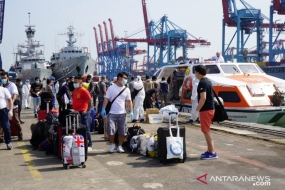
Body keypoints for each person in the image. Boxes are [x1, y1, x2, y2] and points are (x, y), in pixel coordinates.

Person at [101, 72, 133, 153]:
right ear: (119, 78)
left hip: (122, 113)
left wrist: (131, 111)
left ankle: (120, 146)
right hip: (112, 113)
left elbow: (129, 101)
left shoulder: (126, 89)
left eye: (126, 78)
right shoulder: (111, 88)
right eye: (124, 78)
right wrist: (103, 108)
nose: (126, 80)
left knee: (122, 131)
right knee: (110, 130)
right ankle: (112, 144)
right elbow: (106, 99)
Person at [194, 65, 217, 160]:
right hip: (210, 108)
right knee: (206, 130)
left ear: (198, 72)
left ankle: (212, 152)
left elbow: (203, 98)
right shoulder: (208, 81)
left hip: (206, 110)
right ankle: (210, 150)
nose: (195, 74)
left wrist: (196, 110)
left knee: (206, 131)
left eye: (195, 72)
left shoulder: (202, 83)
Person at [72, 76, 92, 150]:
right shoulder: (75, 90)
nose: (74, 83)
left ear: (80, 82)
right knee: (77, 128)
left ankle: (89, 144)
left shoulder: (84, 90)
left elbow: (89, 101)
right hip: (75, 112)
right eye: (74, 82)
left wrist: (87, 110)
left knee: (85, 128)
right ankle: (81, 143)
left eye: (76, 82)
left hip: (83, 113)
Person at [1, 72, 23, 141]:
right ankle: (1, 137)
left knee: (15, 120)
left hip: (13, 107)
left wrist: (12, 101)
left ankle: (20, 133)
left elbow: (15, 94)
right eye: (2, 78)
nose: (3, 79)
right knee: (2, 123)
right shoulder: (1, 86)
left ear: (8, 77)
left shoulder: (12, 85)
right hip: (4, 108)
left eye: (4, 78)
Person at [0, 85, 14, 149]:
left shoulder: (3, 90)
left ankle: (8, 142)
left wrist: (11, 110)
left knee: (6, 127)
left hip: (3, 111)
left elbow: (10, 100)